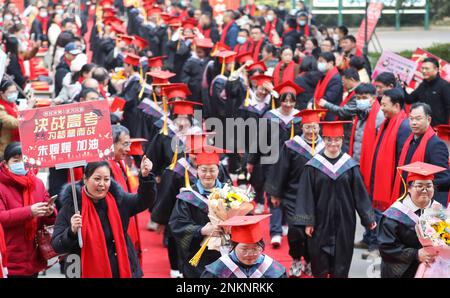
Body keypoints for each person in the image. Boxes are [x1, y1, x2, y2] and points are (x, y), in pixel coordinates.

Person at [295, 121, 377, 277]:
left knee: (342, 262)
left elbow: (360, 194)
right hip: (320, 222)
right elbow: (306, 195)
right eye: (329, 139)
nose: (333, 143)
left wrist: (368, 217)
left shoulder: (350, 165)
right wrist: (308, 221)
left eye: (337, 139)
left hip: (344, 222)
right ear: (323, 140)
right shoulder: (313, 166)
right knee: (320, 262)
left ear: (342, 139)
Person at [51, 158, 157, 278]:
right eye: (97, 179)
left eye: (106, 179)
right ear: (85, 179)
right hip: (82, 270)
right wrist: (71, 232)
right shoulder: (72, 206)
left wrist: (146, 177)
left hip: (121, 269)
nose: (102, 184)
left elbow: (143, 201)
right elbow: (56, 245)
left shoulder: (118, 200)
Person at [266, 109, 326, 277]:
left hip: (317, 198)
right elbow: (281, 171)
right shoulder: (292, 146)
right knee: (296, 231)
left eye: (314, 127)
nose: (311, 131)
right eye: (307, 127)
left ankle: (308, 260)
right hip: (294, 196)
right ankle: (295, 259)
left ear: (319, 127)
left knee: (313, 233)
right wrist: (276, 194)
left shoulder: (325, 147)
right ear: (302, 128)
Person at [364, 88, 411, 259]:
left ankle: (381, 247)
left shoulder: (403, 126)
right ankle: (378, 245)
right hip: (380, 180)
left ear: (397, 106)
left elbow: (401, 159)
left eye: (384, 105)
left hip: (392, 184)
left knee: (386, 219)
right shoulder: (386, 122)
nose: (381, 108)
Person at [378, 161, 445, 278]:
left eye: (429, 186)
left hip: (432, 271)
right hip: (401, 272)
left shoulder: (439, 210)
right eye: (419, 186)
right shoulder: (394, 215)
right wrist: (416, 254)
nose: (425, 190)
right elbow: (386, 247)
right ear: (409, 188)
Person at [169, 145, 227, 278]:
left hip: (226, 255)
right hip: (198, 256)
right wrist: (201, 231)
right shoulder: (188, 196)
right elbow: (176, 224)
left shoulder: (229, 193)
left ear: (218, 170)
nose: (208, 174)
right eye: (203, 170)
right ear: (197, 171)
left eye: (212, 170)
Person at [0, 142, 56, 277]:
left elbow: (52, 217)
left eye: (24, 160)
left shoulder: (37, 183)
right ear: (6, 164)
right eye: (15, 160)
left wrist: (49, 212)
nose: (21, 164)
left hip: (33, 256)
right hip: (9, 257)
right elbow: (2, 217)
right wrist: (30, 211)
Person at [391, 102, 450, 206]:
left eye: (418, 119)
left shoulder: (436, 145)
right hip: (407, 198)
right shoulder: (409, 141)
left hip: (425, 203)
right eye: (411, 118)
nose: (414, 122)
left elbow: (445, 179)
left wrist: (422, 186)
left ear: (428, 120)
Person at [201, 215, 287, 278]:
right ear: (233, 246)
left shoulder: (272, 269)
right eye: (244, 249)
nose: (250, 254)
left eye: (255, 248)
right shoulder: (218, 269)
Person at [405, 57, 450, 127]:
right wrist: (402, 88)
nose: (423, 71)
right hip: (424, 128)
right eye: (422, 68)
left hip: (439, 130)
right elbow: (409, 99)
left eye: (427, 68)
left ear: (436, 70)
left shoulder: (444, 86)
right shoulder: (423, 85)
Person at [309, 52, 343, 121]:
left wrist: (313, 105)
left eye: (321, 61)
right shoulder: (323, 76)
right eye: (318, 61)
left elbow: (329, 98)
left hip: (330, 116)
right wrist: (311, 102)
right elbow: (317, 93)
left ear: (330, 63)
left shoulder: (335, 78)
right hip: (322, 113)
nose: (319, 63)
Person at [0, 80, 21, 158]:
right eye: (11, 92)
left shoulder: (12, 104)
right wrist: (28, 110)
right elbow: (14, 123)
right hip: (4, 149)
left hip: (16, 145)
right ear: (2, 93)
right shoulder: (1, 107)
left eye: (15, 92)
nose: (14, 94)